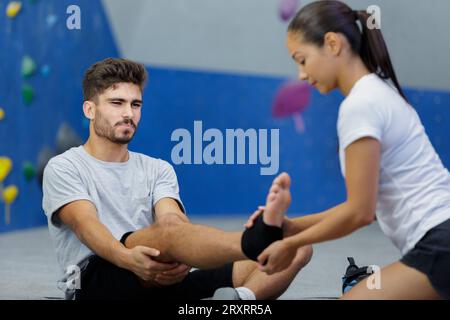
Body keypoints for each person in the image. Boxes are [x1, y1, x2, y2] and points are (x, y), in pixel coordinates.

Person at [42, 58, 312, 300]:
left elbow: (172, 220)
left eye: (135, 104)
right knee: (169, 235)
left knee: (295, 246)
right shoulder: (64, 166)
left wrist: (185, 252)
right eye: (117, 103)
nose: (128, 113)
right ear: (89, 110)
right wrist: (128, 258)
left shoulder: (158, 168)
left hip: (157, 274)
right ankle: (252, 242)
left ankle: (238, 301)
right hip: (98, 278)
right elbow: (85, 225)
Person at [247, 0, 450, 299]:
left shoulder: (360, 105)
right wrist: (291, 228)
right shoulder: (377, 91)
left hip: (440, 246)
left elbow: (359, 213)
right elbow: (358, 206)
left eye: (301, 59)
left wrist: (289, 244)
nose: (301, 74)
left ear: (332, 43)